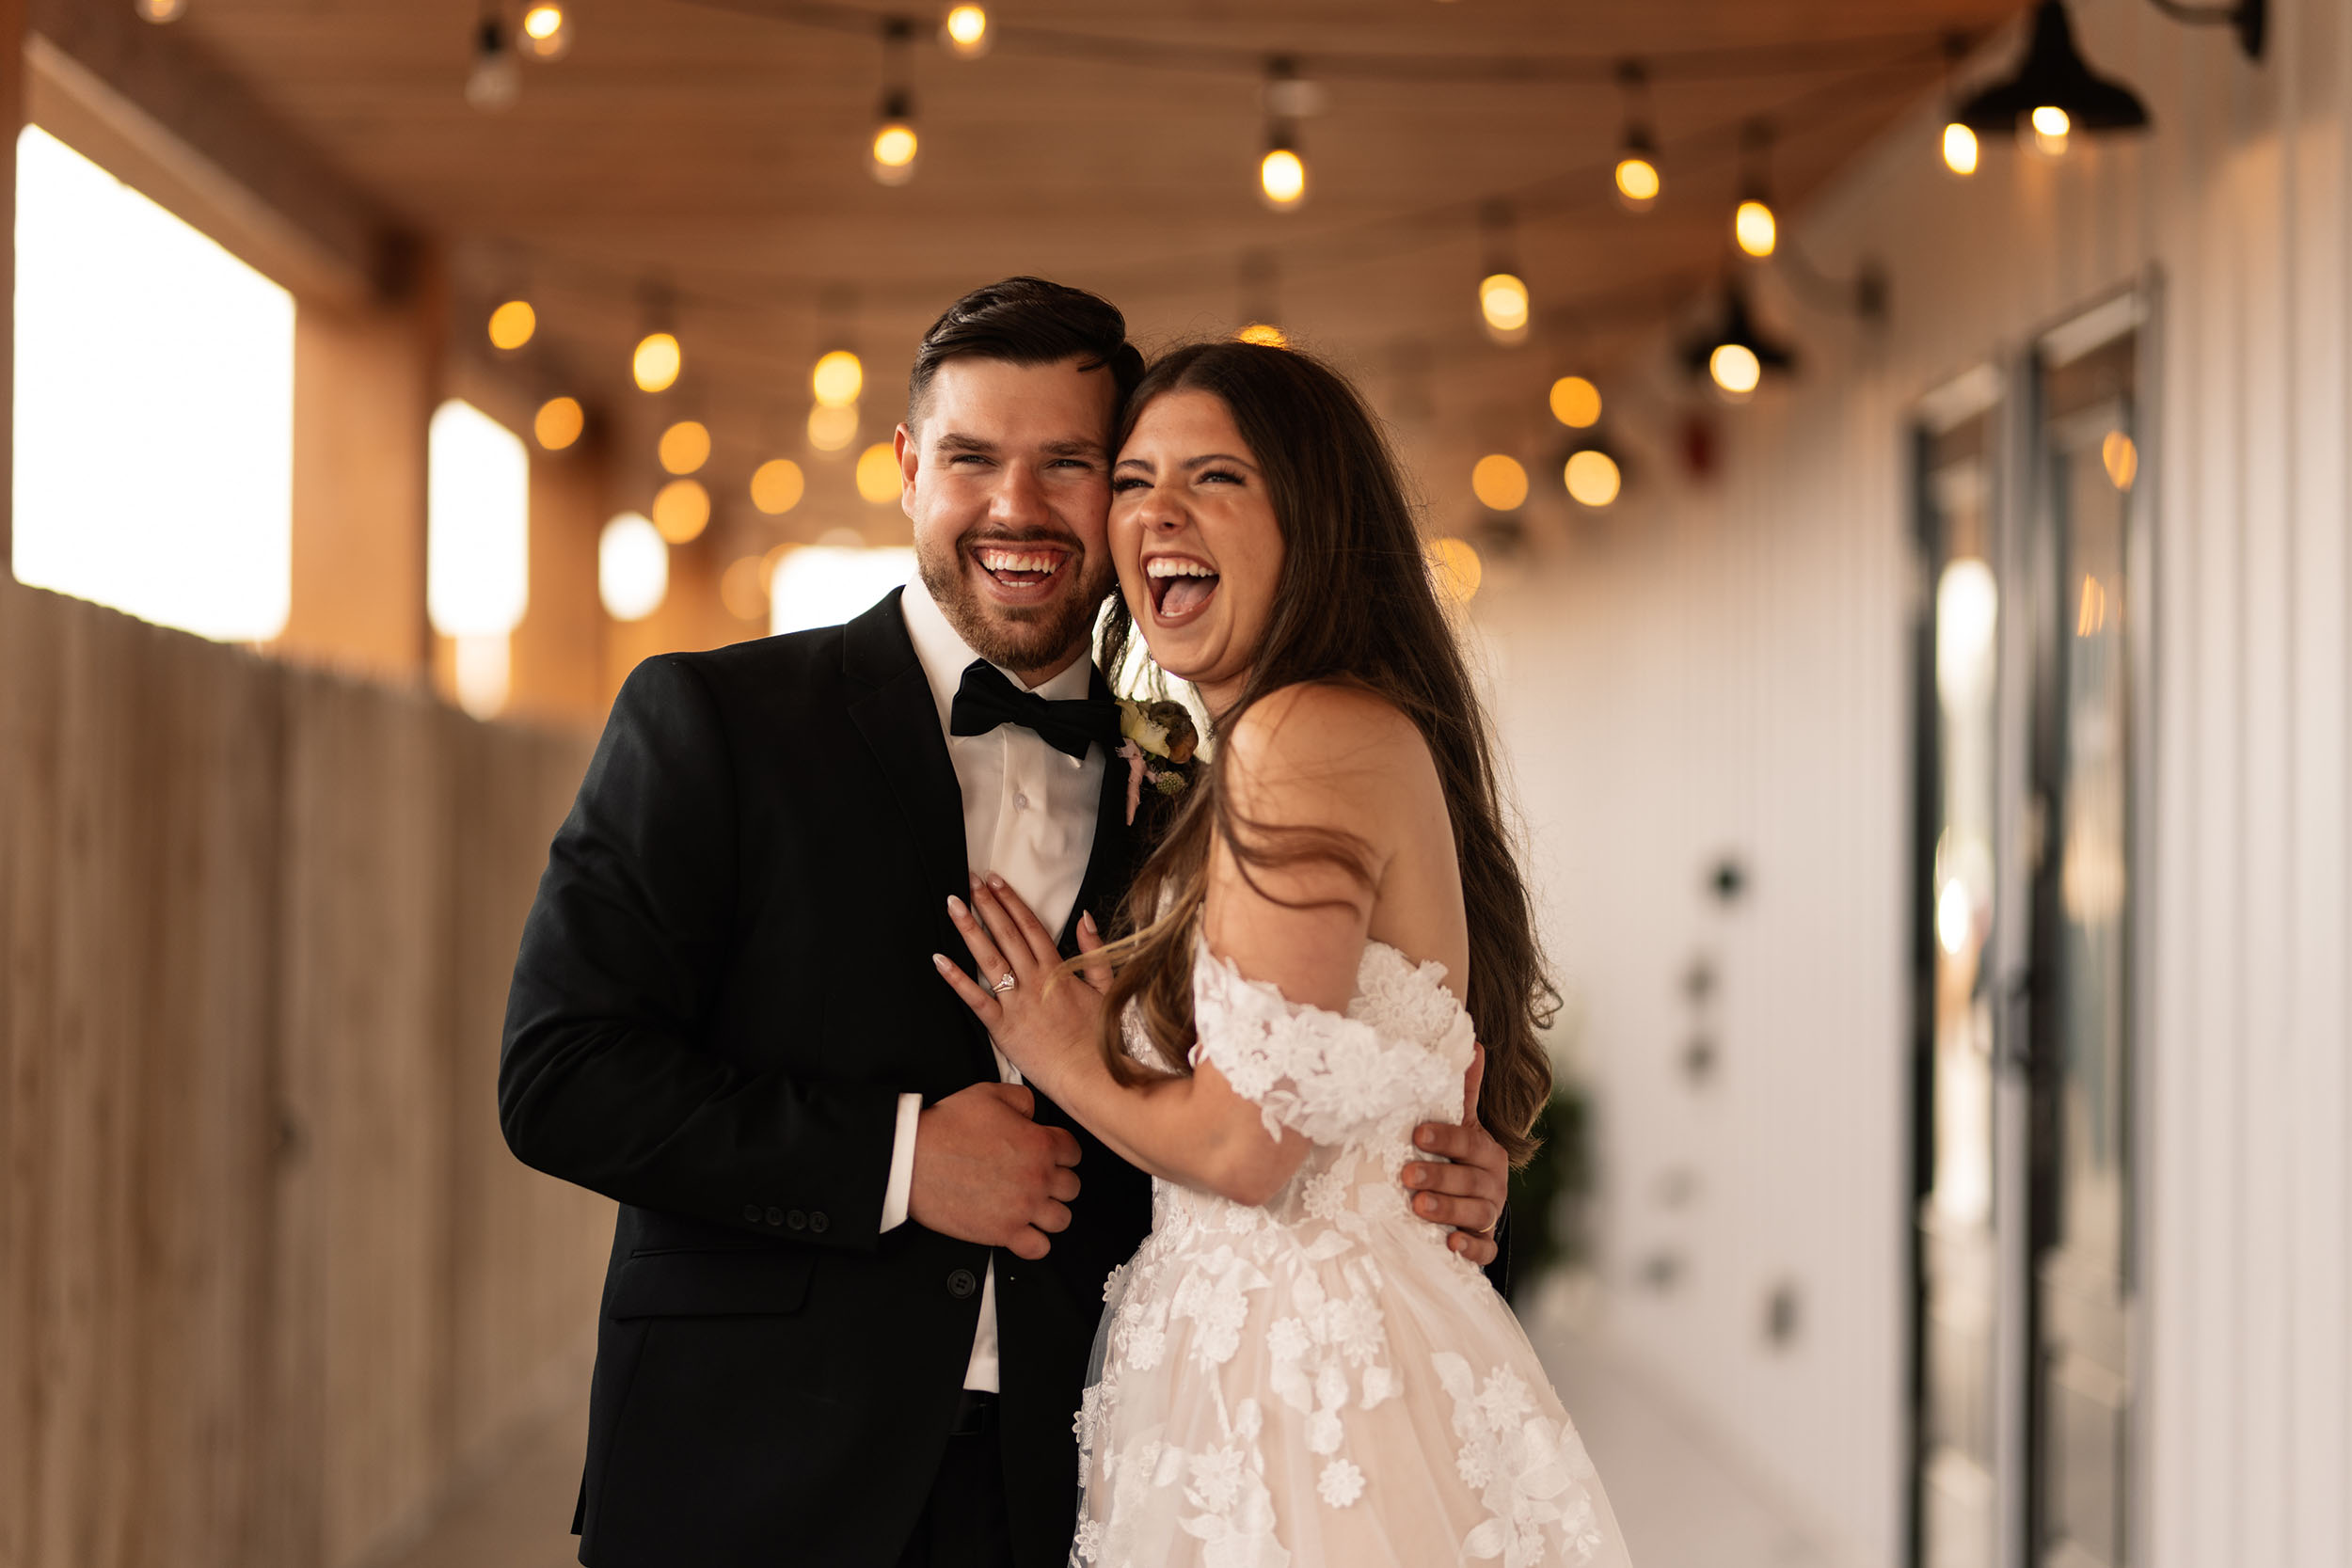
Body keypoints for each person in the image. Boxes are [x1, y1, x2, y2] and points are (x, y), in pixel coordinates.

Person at [498, 277, 1514, 1568]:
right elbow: (561, 1078)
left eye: (1071, 465)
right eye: (974, 459)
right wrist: (902, 1161)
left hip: (1087, 1481)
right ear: (910, 468)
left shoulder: (1220, 784)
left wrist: (1462, 1186)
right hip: (752, 1480)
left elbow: (1316, 1089)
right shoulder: (712, 722)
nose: (1018, 509)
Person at [934, 341, 1634, 1566]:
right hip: (1283, 1365)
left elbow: (1245, 1150)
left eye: (1215, 478)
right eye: (1139, 480)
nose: (1160, 512)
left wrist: (1060, 1048)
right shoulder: (1294, 736)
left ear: (1315, 522)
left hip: (1303, 1392)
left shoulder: (1299, 737)